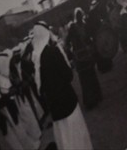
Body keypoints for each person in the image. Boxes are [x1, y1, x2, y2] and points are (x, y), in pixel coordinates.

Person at [31, 21, 93, 149]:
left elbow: (41, 88)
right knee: (76, 135)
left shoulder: (37, 59)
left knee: (65, 138)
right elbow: (69, 75)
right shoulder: (53, 51)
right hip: (68, 102)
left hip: (56, 109)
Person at [66, 7, 101, 110]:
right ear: (76, 17)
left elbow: (90, 38)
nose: (79, 17)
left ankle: (96, 97)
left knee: (91, 76)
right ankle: (90, 101)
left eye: (80, 15)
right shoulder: (73, 27)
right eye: (78, 15)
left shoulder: (86, 26)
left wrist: (91, 46)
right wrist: (72, 51)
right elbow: (67, 41)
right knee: (85, 80)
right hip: (80, 57)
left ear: (82, 15)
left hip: (87, 55)